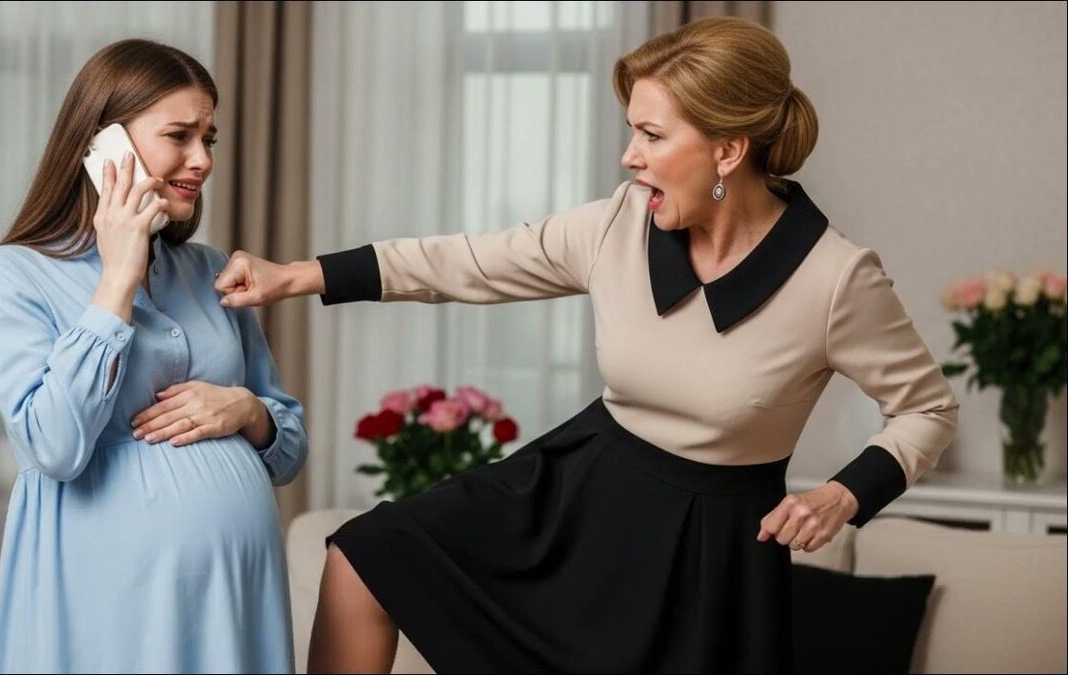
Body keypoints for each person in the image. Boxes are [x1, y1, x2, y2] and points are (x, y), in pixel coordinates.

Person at [217, 16, 959, 674]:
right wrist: (301, 274)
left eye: (653, 135)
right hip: (577, 498)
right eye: (633, 131)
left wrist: (844, 492)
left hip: (711, 554)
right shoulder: (620, 223)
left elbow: (927, 410)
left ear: (729, 150)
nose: (630, 157)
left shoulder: (836, 278)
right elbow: (468, 261)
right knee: (364, 557)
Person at [0, 39, 307, 673]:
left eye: (209, 138)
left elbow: (289, 452)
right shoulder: (9, 273)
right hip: (107, 597)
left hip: (237, 601)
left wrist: (248, 411)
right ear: (103, 146)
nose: (202, 160)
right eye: (179, 135)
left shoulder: (210, 269)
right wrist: (117, 281)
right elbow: (53, 447)